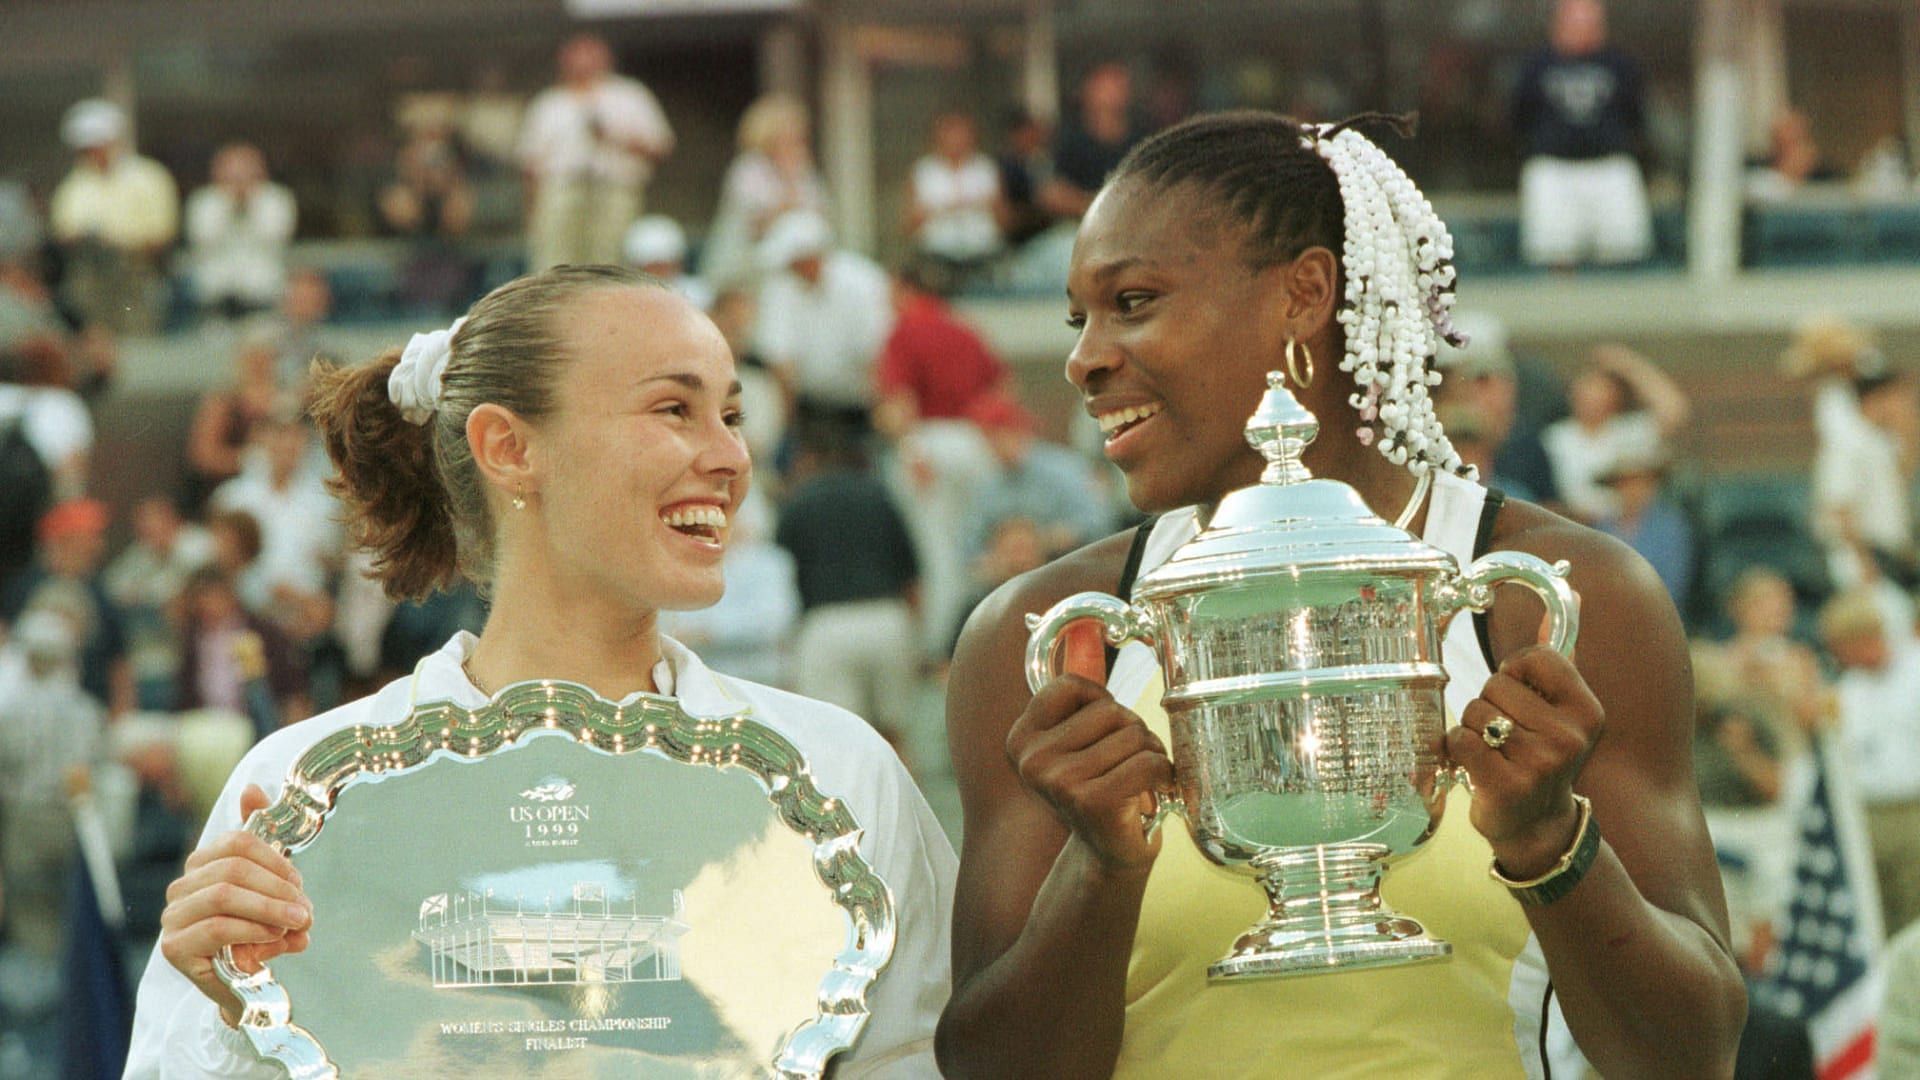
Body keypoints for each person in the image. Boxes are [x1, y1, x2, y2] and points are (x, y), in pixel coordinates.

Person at [937, 111, 1743, 1078]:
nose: (1085, 359)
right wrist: (1101, 866)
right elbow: (988, 1069)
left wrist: (1549, 843)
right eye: (1081, 319)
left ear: (1304, 294)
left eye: (1135, 301)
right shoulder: (1047, 638)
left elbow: (1691, 1056)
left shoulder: (1554, 599)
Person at [125, 265, 954, 1077]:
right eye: (676, 408)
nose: (732, 455)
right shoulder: (300, 795)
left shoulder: (839, 775)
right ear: (510, 447)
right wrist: (247, 1020)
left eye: (731, 415)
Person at [1510, 0, 1652, 268]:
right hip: (1553, 169)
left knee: (1622, 253)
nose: (1583, 27)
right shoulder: (1537, 66)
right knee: (1554, 256)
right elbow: (1520, 117)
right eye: (1575, 20)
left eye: (1590, 21)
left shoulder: (1620, 65)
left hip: (1609, 167)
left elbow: (1636, 116)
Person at [517, 35, 674, 270]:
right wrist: (532, 210)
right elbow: (529, 164)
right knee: (554, 263)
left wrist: (614, 138)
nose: (584, 62)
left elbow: (660, 146)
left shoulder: (629, 95)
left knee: (610, 261)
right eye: (577, 54)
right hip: (562, 187)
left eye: (591, 54)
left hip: (614, 186)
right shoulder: (549, 103)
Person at [1818, 589, 1920, 935]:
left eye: (1844, 646)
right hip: (1866, 815)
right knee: (1878, 919)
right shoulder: (1846, 691)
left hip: (1912, 810)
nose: (1840, 656)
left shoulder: (1915, 672)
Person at [753, 211, 893, 438]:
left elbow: (877, 356)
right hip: (808, 406)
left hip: (862, 406)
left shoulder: (864, 282)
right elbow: (779, 359)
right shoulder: (781, 286)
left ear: (811, 257)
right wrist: (789, 428)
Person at [47, 98, 179, 333]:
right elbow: (62, 232)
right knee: (94, 340)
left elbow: (163, 234)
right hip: (90, 277)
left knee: (138, 341)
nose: (92, 153)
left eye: (96, 145)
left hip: (136, 276)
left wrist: (119, 242)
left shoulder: (149, 177)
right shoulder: (74, 185)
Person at [1539, 345, 1689, 524]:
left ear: (1615, 395)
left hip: (1624, 528)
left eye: (1601, 390)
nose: (1592, 398)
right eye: (1587, 388)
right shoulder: (1555, 437)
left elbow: (1674, 411)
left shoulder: (1627, 432)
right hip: (1573, 527)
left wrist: (1626, 364)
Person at [702, 94, 828, 291]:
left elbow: (819, 216)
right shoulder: (748, 169)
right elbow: (757, 224)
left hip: (791, 270)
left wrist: (792, 178)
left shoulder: (804, 171)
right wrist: (788, 190)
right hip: (744, 266)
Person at [185, 142, 298, 320]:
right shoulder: (203, 201)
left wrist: (249, 204)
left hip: (263, 293)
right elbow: (203, 239)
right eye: (233, 172)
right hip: (215, 295)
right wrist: (230, 204)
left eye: (246, 170)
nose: (240, 178)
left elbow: (275, 237)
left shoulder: (277, 199)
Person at [905, 111, 1004, 292]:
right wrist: (941, 209)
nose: (956, 139)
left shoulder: (985, 169)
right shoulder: (924, 171)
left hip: (981, 254)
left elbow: (1002, 216)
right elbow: (910, 222)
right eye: (950, 133)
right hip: (937, 257)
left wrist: (981, 205)